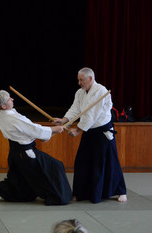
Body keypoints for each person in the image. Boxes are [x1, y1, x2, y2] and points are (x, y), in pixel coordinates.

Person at [0, 90, 72, 206]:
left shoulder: (5, 115)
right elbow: (34, 129)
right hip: (26, 154)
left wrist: (48, 133)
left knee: (21, 185)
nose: (12, 99)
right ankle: (60, 196)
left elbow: (25, 131)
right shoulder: (12, 118)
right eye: (9, 99)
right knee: (55, 166)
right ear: (3, 106)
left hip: (16, 154)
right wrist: (54, 130)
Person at [53, 67, 127, 204]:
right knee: (82, 160)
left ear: (90, 79)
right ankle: (82, 192)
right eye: (78, 80)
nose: (79, 83)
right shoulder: (80, 92)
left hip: (102, 132)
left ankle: (121, 190)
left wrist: (77, 130)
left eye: (81, 80)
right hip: (89, 131)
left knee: (107, 162)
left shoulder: (101, 91)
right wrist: (64, 120)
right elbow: (75, 109)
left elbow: (91, 114)